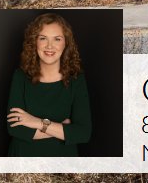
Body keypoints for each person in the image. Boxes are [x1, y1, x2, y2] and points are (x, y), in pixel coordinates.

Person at [5, 13, 92, 157]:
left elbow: (82, 133)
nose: (49, 46)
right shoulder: (20, 77)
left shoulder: (76, 79)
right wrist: (62, 129)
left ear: (66, 43)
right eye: (43, 38)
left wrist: (38, 122)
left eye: (57, 39)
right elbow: (15, 128)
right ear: (34, 42)